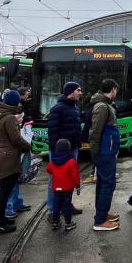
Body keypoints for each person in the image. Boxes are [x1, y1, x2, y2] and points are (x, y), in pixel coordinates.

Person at [0, 89, 31, 235]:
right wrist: (29, 147)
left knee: (4, 191)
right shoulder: (9, 118)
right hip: (8, 157)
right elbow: (16, 139)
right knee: (4, 192)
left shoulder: (0, 114)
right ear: (15, 102)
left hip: (2, 154)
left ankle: (1, 220)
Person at [47, 82, 84, 218]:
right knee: (55, 179)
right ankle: (52, 210)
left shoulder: (74, 107)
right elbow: (53, 131)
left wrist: (78, 142)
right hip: (60, 151)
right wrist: (58, 152)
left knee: (69, 179)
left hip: (72, 148)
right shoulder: (58, 108)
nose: (80, 93)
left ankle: (66, 205)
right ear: (70, 92)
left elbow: (75, 127)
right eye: (78, 90)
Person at [87, 79, 121, 232]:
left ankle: (102, 213)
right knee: (108, 183)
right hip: (104, 152)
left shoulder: (105, 105)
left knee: (103, 182)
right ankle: (100, 220)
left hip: (107, 150)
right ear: (113, 89)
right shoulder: (102, 106)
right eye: (116, 90)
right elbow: (95, 132)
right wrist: (95, 154)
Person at [46, 139, 80, 231]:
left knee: (56, 205)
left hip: (56, 189)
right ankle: (68, 223)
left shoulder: (53, 162)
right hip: (67, 189)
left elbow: (48, 170)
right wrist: (77, 186)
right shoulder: (71, 162)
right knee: (67, 205)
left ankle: (55, 222)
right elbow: (75, 176)